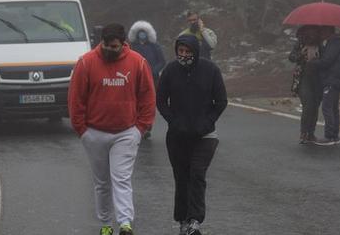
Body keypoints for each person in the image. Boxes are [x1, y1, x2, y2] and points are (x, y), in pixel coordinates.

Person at [69, 23, 156, 235]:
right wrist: (82, 130)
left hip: (126, 132)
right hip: (94, 132)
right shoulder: (86, 62)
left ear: (123, 43)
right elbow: (76, 98)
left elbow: (147, 96)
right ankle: (106, 224)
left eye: (115, 46)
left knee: (121, 178)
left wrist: (140, 128)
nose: (110, 50)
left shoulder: (138, 63)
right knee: (102, 182)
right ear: (102, 42)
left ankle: (125, 223)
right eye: (106, 45)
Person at [157, 34, 227, 235]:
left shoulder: (210, 70)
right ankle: (182, 219)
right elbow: (161, 100)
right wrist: (174, 121)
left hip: (205, 135)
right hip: (178, 136)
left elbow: (221, 102)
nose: (184, 55)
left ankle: (195, 220)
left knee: (197, 174)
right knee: (182, 177)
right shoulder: (170, 71)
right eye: (181, 51)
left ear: (195, 52)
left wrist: (207, 122)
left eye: (188, 52)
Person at [308, 25, 340, 146]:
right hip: (335, 79)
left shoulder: (335, 44)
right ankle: (335, 136)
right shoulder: (334, 44)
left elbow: (327, 61)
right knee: (333, 108)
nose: (321, 34)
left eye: (322, 31)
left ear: (328, 31)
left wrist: (313, 62)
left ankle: (329, 136)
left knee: (327, 108)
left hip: (332, 79)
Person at [129, 20, 166, 139]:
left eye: (144, 32)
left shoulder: (155, 47)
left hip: (152, 78)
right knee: (136, 102)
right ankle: (138, 125)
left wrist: (154, 71)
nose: (142, 34)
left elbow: (162, 61)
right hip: (136, 79)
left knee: (149, 103)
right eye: (140, 32)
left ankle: (147, 126)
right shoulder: (132, 47)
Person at [288, 25, 323, 144]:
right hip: (303, 78)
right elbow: (291, 57)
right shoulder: (300, 44)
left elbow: (327, 60)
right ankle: (304, 132)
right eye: (309, 33)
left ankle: (311, 133)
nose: (312, 35)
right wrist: (301, 55)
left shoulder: (322, 45)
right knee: (308, 105)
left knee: (315, 106)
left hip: (318, 79)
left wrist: (318, 59)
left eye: (314, 33)